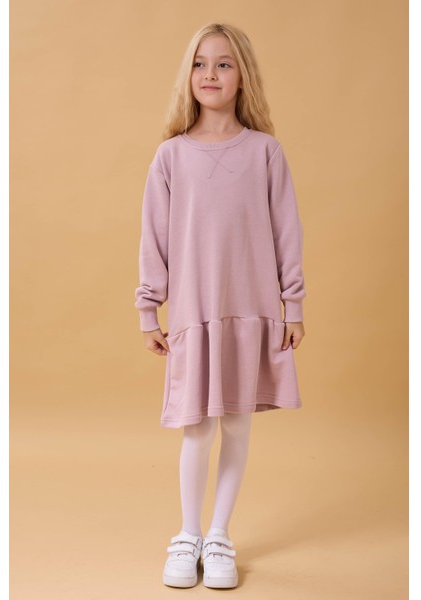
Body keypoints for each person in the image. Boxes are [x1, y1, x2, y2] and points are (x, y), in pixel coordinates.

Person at [134, 22, 307, 589]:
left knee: (235, 423)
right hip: (194, 313)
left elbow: (287, 232)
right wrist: (148, 310)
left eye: (224, 64)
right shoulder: (170, 157)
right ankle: (187, 535)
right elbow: (154, 240)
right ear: (188, 75)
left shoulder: (265, 152)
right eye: (200, 63)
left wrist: (293, 305)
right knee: (197, 429)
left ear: (242, 77)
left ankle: (219, 536)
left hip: (251, 311)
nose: (210, 74)